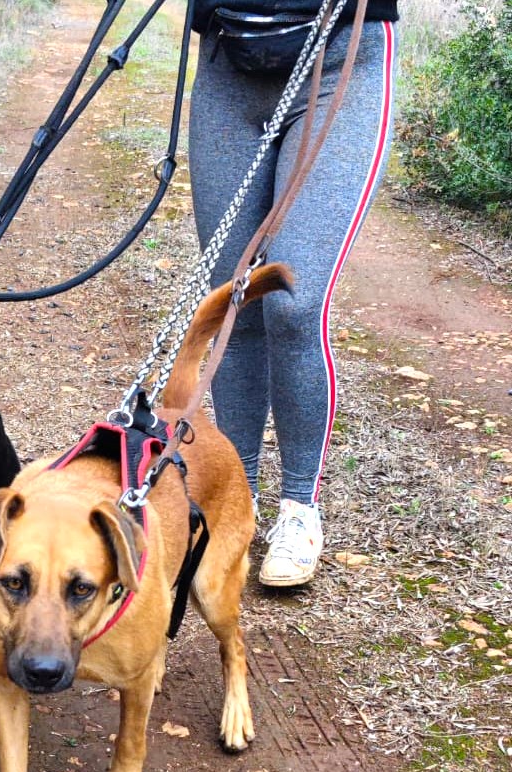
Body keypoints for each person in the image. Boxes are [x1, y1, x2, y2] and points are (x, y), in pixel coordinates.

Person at [188, 1, 399, 586]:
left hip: (343, 60)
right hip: (228, 62)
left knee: (293, 301)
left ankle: (300, 509)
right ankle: (237, 497)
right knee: (234, 300)